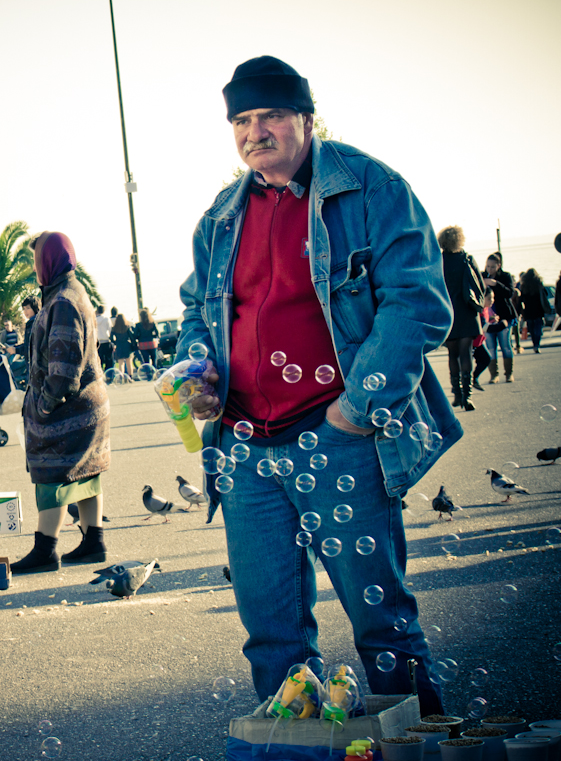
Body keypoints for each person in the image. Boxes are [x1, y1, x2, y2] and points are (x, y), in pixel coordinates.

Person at [176, 56, 460, 714]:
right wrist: (199, 378)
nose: (256, 132)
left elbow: (416, 302)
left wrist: (356, 412)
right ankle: (296, 753)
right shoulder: (220, 218)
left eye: (271, 114)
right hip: (246, 451)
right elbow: (197, 311)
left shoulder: (372, 190)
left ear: (306, 117)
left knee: (383, 628)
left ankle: (418, 745)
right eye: (242, 120)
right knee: (272, 638)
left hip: (339, 440)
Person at [11, 232, 110, 573]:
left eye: (36, 259)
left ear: (48, 260)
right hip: (87, 404)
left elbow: (64, 368)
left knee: (52, 474)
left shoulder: (62, 301)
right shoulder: (67, 292)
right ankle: (93, 541)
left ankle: (45, 549)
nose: (34, 267)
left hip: (69, 409)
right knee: (86, 470)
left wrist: (45, 405)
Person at [439, 226, 483, 411]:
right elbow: (480, 285)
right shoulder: (467, 259)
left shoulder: (439, 261)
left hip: (448, 312)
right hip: (466, 311)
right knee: (466, 353)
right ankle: (468, 396)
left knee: (452, 354)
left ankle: (456, 394)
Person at [482, 253, 517, 383]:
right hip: (488, 317)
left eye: (492, 267)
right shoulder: (482, 276)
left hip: (504, 317)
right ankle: (494, 375)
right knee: (491, 347)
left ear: (499, 266)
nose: (489, 269)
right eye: (488, 266)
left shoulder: (505, 276)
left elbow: (509, 293)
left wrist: (495, 284)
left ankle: (509, 374)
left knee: (505, 346)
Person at [518, 268, 550, 354]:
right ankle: (537, 344)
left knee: (531, 329)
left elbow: (521, 299)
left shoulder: (524, 286)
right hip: (538, 309)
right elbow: (545, 294)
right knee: (538, 328)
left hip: (528, 310)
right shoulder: (538, 284)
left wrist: (520, 309)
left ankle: (534, 344)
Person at [95, 305, 114, 370]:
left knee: (99, 360)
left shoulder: (94, 320)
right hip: (106, 340)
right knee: (109, 360)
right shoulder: (106, 319)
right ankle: (108, 374)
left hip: (98, 341)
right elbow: (110, 329)